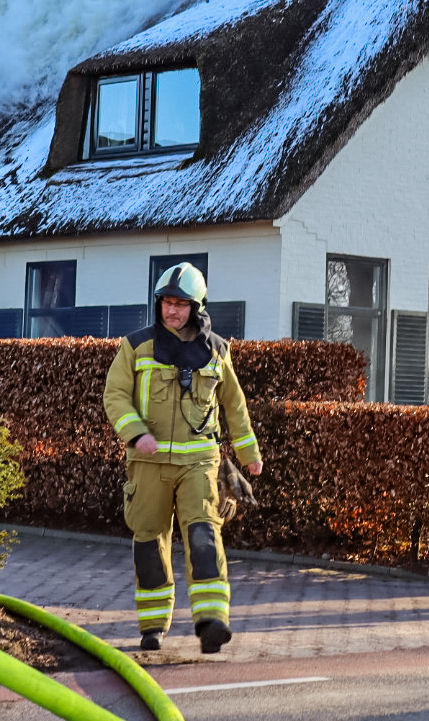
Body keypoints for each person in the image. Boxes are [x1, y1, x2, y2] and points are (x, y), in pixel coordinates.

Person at [102, 261, 263, 653]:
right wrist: (136, 433)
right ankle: (153, 626)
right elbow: (115, 396)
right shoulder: (136, 346)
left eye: (180, 304)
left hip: (199, 465)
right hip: (148, 466)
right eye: (166, 302)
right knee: (149, 543)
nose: (171, 311)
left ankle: (211, 621)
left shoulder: (217, 351)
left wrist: (248, 454)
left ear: (197, 307)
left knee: (204, 535)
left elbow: (234, 406)